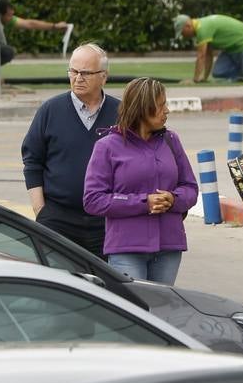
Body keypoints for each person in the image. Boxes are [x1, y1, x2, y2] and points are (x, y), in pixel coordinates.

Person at [83, 78, 197, 284]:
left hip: (169, 247)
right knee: (133, 311)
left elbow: (190, 188)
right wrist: (145, 203)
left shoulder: (171, 140)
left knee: (161, 311)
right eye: (161, 105)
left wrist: (173, 198)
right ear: (143, 108)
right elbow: (93, 199)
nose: (167, 110)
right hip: (126, 249)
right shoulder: (107, 146)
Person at [21, 43, 119, 258]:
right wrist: (41, 211)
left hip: (107, 220)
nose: (78, 78)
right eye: (73, 71)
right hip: (58, 219)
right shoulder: (50, 110)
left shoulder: (121, 113)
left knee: (106, 285)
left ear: (104, 76)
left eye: (86, 73)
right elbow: (32, 162)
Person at [0, 0, 69, 67]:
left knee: (3, 50)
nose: (11, 18)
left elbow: (29, 24)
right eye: (9, 15)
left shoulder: (0, 19)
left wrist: (54, 26)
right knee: (6, 52)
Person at [174, 13, 243, 82]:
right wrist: (204, 78)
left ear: (187, 26)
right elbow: (208, 55)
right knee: (218, 72)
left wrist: (195, 80)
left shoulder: (202, 29)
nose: (183, 35)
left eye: (182, 32)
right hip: (231, 47)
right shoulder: (201, 26)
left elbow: (201, 56)